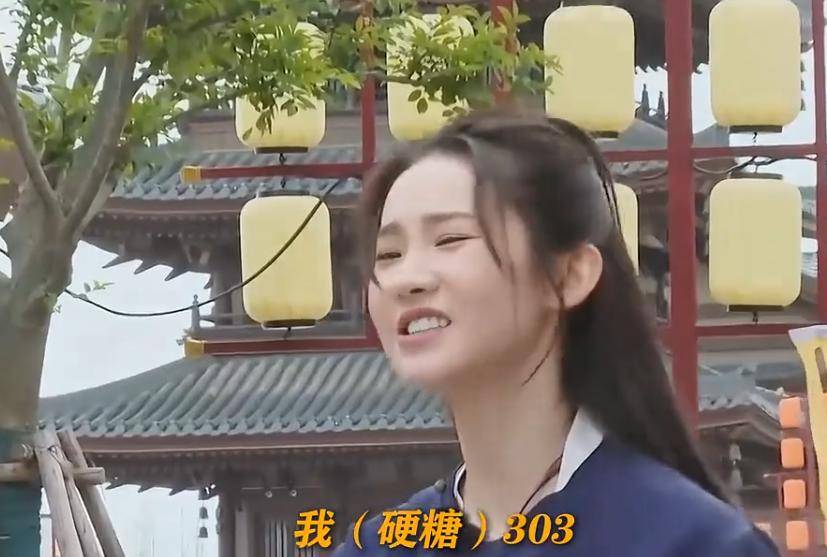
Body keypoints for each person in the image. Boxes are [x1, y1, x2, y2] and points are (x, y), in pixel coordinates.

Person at [332, 109, 780, 556]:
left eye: (450, 240)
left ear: (568, 276)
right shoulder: (374, 548)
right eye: (388, 254)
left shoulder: (693, 542)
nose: (406, 278)